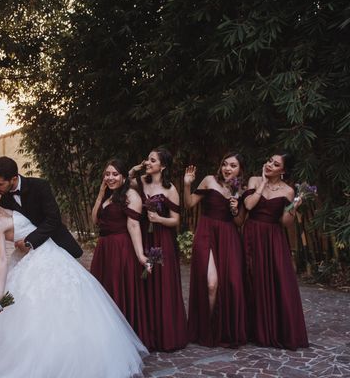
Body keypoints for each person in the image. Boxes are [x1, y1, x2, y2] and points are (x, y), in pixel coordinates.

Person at [0, 185, 148, 378]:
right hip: (37, 258)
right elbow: (1, 259)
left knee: (62, 305)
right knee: (43, 310)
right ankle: (52, 367)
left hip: (44, 252)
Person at [242, 152, 309, 350]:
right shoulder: (254, 180)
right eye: (270, 160)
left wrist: (294, 207)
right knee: (250, 276)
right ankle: (250, 329)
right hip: (252, 233)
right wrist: (262, 183)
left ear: (284, 170)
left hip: (273, 238)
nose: (270, 164)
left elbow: (285, 223)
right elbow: (248, 205)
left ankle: (272, 328)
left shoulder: (288, 191)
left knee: (272, 279)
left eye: (276, 164)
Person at [183, 153, 247, 348]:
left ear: (240, 170)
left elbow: (239, 222)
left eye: (233, 165)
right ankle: (205, 330)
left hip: (229, 238)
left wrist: (235, 209)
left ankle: (224, 330)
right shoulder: (209, 180)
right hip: (207, 233)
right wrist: (186, 184)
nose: (227, 168)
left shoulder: (241, 190)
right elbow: (189, 204)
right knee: (211, 284)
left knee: (232, 284)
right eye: (225, 164)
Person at [130, 148, 188, 352]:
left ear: (162, 166)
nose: (148, 162)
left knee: (162, 283)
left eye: (152, 160)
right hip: (144, 236)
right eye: (147, 159)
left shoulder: (170, 188)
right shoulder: (140, 182)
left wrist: (159, 219)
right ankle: (148, 334)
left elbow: (176, 220)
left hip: (163, 239)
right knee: (146, 281)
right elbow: (125, 186)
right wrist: (133, 170)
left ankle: (166, 335)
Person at [90, 159, 148, 334]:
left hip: (120, 248)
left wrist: (140, 255)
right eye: (107, 174)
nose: (110, 177)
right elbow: (95, 219)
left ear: (123, 177)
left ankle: (121, 335)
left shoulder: (131, 195)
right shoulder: (108, 196)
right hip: (103, 249)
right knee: (103, 290)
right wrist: (101, 193)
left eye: (115, 174)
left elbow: (133, 225)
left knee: (116, 290)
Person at [0, 156, 83, 258]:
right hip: (30, 257)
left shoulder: (40, 186)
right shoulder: (1, 198)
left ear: (13, 179)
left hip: (58, 245)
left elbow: (53, 219)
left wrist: (29, 242)